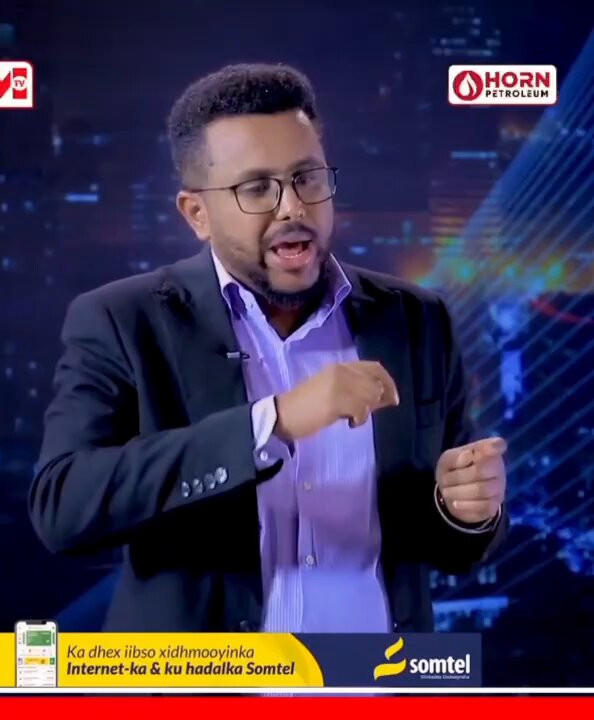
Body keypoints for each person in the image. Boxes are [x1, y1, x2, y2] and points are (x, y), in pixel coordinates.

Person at [30, 63, 508, 634]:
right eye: (257, 188)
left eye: (308, 178)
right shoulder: (124, 321)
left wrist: (466, 510)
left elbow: (449, 543)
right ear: (197, 214)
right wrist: (271, 423)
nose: (293, 208)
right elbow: (63, 507)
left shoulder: (414, 319)